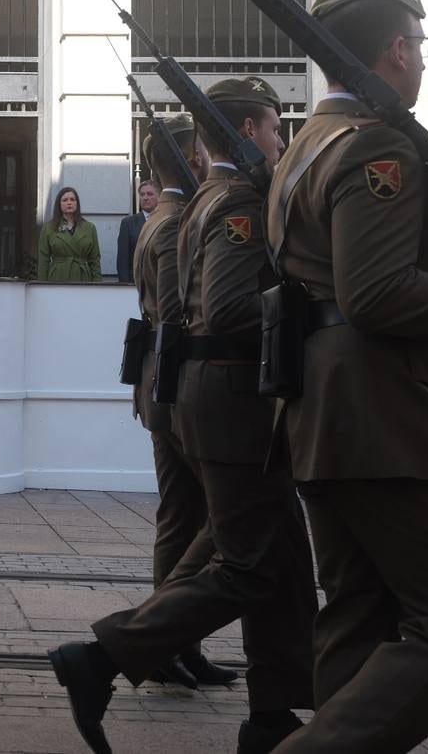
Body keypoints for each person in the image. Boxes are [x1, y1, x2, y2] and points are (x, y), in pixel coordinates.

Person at [261, 0, 428, 753]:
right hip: (393, 419)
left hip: (332, 416)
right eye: (420, 43)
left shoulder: (310, 142)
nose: (421, 56)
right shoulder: (376, 145)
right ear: (398, 49)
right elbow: (377, 295)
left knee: (361, 617)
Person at [51, 75, 317, 754]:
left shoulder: (211, 201)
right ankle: (106, 655)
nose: (282, 138)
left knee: (279, 557)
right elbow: (222, 309)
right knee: (245, 560)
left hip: (221, 393)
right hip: (231, 396)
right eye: (275, 126)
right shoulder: (235, 204)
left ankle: (273, 710)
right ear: (250, 131)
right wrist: (307, 308)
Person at [126, 114, 234, 690]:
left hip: (158, 384)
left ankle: (175, 643)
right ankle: (164, 639)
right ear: (190, 161)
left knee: (182, 517)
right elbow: (175, 314)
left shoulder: (159, 218)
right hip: (175, 385)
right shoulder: (173, 223)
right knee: (203, 519)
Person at [37, 187, 101, 282]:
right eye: (65, 200)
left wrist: (97, 284)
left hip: (82, 278)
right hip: (57, 277)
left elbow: (95, 259)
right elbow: (43, 259)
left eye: (72, 199)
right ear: (59, 204)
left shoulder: (90, 228)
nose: (69, 202)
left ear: (77, 203)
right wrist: (42, 285)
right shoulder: (48, 228)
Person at [116, 180, 158, 284]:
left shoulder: (166, 220)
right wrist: (125, 286)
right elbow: (123, 260)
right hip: (136, 284)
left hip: (161, 283)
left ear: (159, 197)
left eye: (150, 194)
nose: (145, 198)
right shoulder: (128, 223)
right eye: (142, 194)